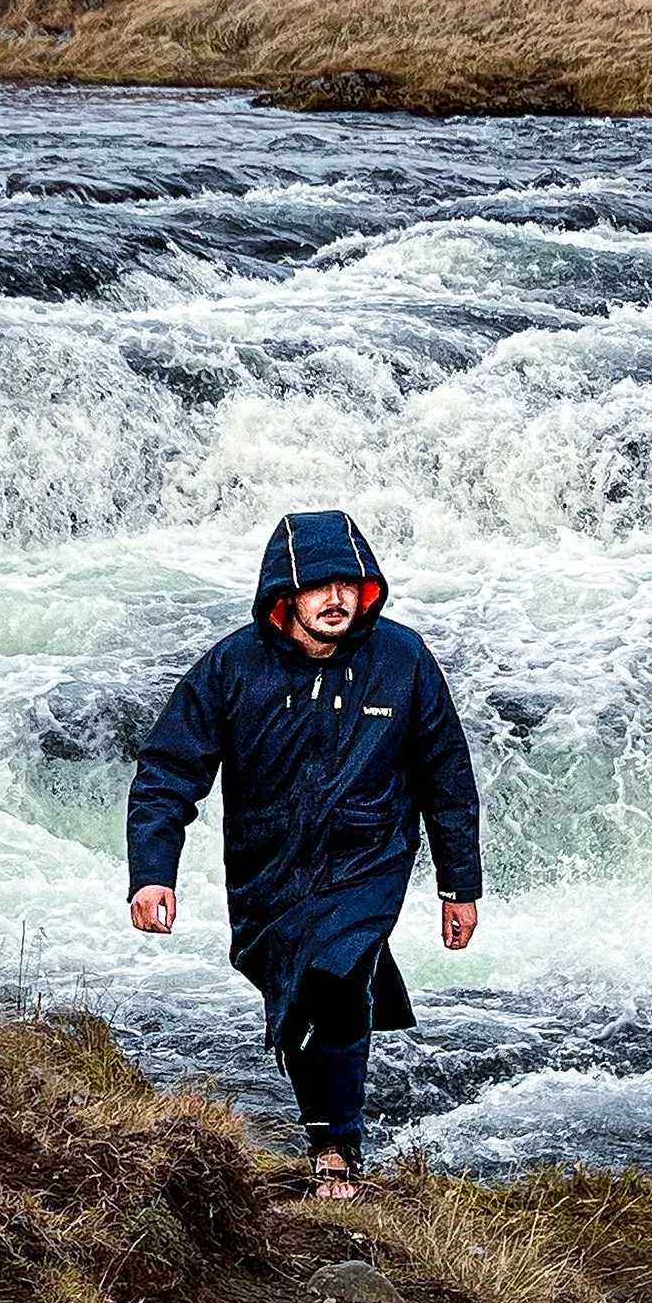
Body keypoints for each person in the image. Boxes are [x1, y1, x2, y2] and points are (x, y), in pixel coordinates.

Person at [126, 509, 483, 1199]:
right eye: (320, 585)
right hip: (268, 870)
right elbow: (167, 773)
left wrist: (457, 885)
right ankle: (324, 1126)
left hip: (367, 859)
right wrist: (152, 873)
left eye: (351, 584)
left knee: (337, 977)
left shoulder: (402, 661)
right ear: (285, 593)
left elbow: (447, 776)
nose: (338, 600)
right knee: (295, 994)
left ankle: (337, 1148)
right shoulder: (231, 668)